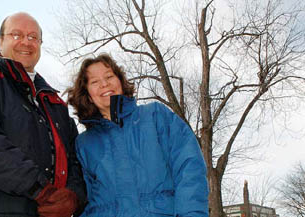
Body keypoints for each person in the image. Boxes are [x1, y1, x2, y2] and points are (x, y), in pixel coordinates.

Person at [0, 12, 86, 217]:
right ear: (1, 41)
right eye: (16, 35)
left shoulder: (55, 103)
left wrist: (73, 197)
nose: (26, 42)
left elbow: (76, 159)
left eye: (33, 37)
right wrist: (40, 189)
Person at [67, 53, 209, 216]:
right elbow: (84, 202)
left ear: (120, 81)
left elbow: (189, 167)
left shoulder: (156, 116)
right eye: (95, 82)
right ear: (88, 95)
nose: (105, 84)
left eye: (109, 76)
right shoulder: (84, 144)